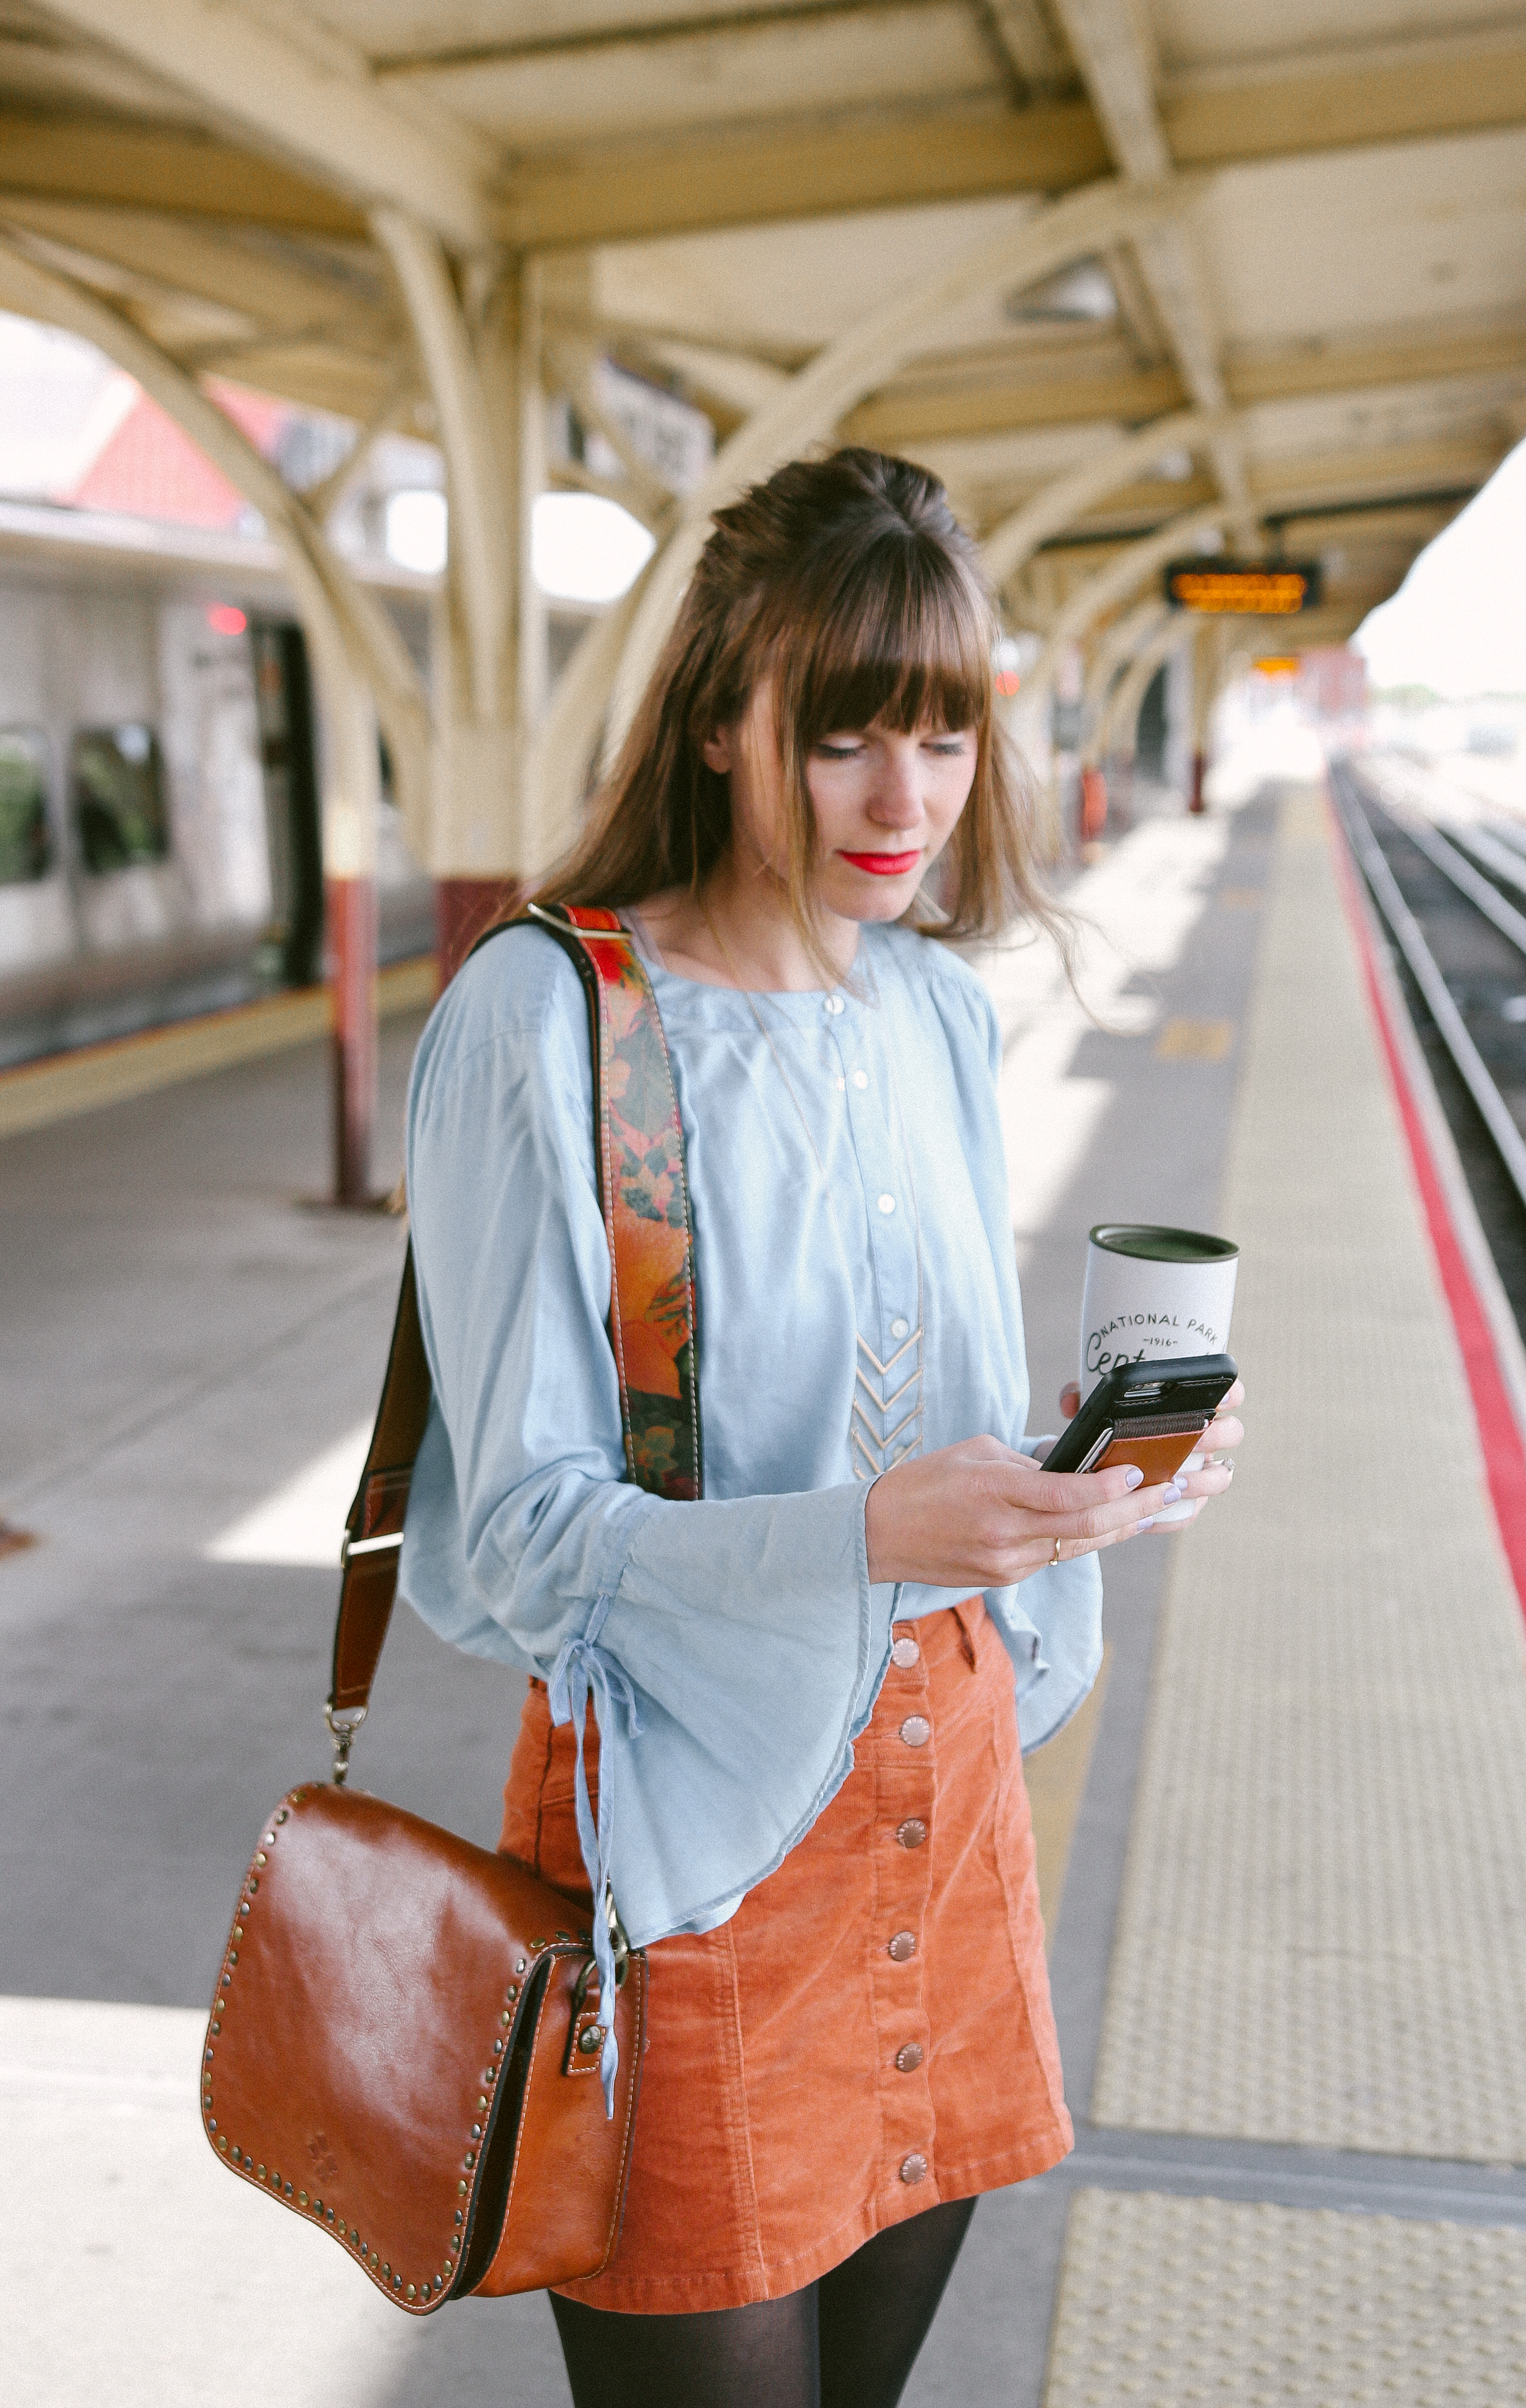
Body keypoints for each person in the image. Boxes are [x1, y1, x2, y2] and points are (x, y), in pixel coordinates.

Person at [400, 447, 1243, 2407]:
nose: (906, 799)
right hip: (686, 1852)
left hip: (951, 1822)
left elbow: (927, 1427)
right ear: (718, 720)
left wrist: (1090, 1483)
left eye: (944, 737)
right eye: (847, 736)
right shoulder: (547, 1018)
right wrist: (869, 1533)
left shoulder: (933, 1012)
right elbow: (526, 1541)